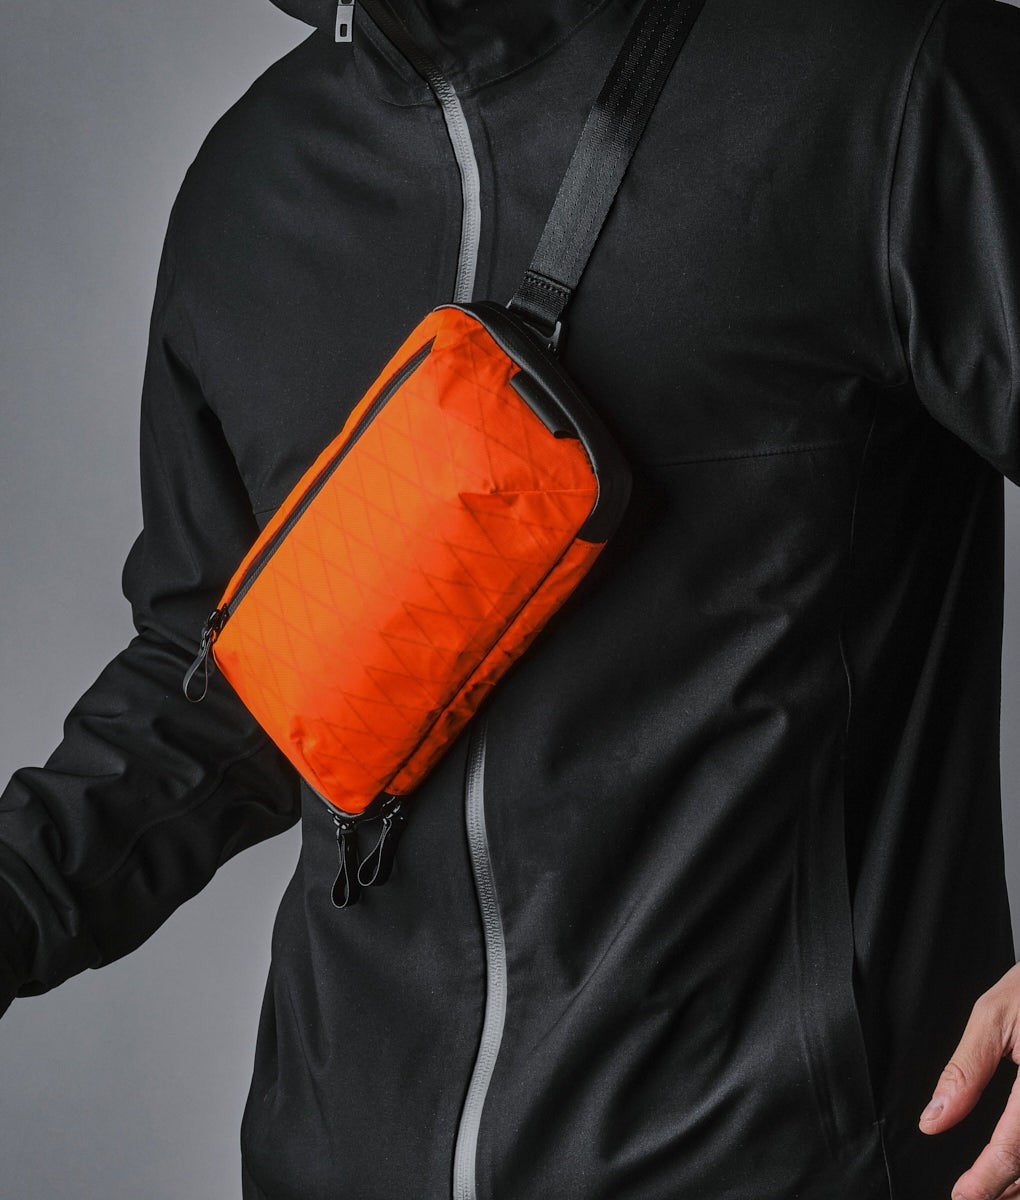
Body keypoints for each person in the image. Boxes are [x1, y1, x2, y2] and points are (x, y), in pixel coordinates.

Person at [2, 0, 1020, 1196]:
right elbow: (220, 683)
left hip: (789, 1161)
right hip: (329, 1161)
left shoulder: (883, 75)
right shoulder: (253, 186)